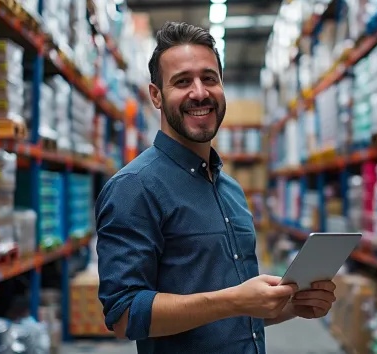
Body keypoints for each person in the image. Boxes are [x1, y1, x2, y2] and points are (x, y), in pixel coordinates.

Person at [95, 21, 337, 354]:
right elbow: (124, 314)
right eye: (182, 81)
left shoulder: (231, 191)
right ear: (156, 96)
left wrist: (294, 305)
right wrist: (234, 300)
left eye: (209, 78)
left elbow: (231, 314)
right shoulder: (133, 188)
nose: (199, 92)